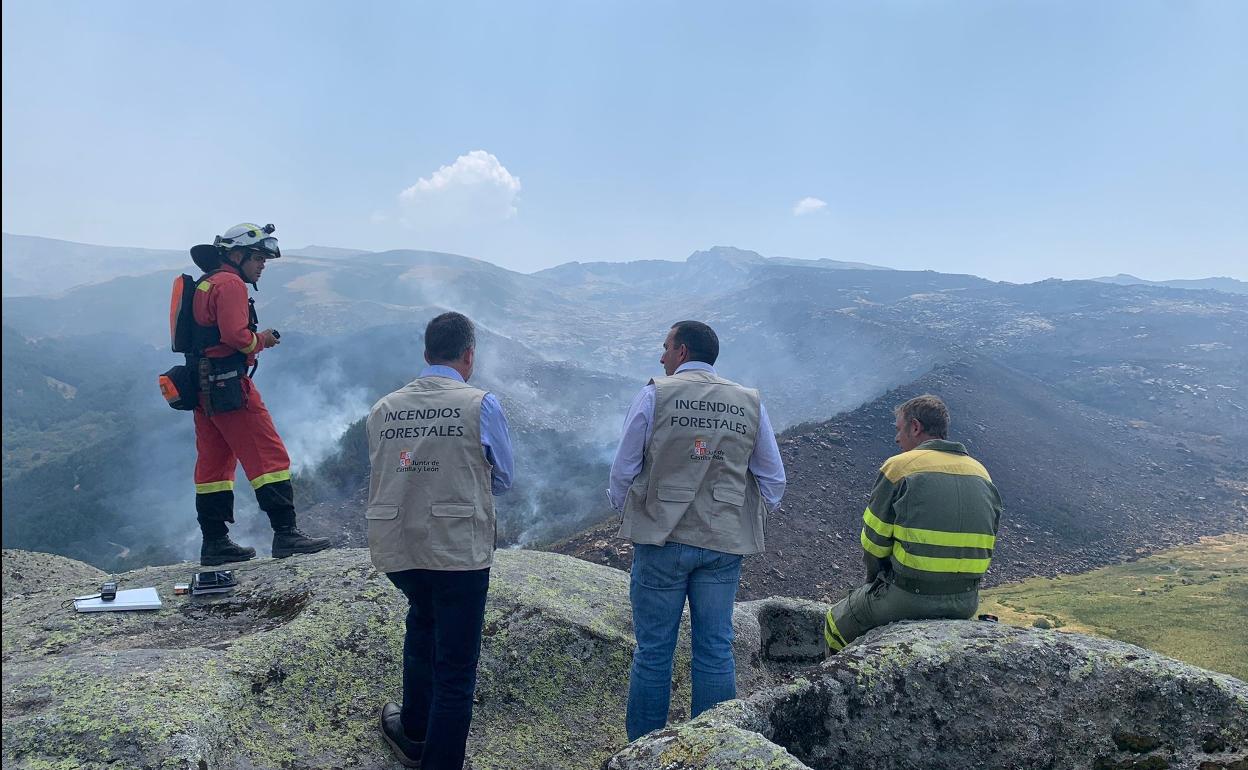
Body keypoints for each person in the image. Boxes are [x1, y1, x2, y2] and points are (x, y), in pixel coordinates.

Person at [609, 320, 786, 741]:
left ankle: (642, 754)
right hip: (724, 541)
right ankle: (713, 750)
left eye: (666, 347)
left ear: (683, 351)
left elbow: (624, 469)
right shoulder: (748, 402)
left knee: (653, 654)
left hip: (661, 538)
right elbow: (773, 480)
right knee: (715, 648)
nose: (662, 356)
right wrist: (740, 515)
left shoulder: (654, 394)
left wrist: (628, 511)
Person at [367, 311, 515, 770]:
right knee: (455, 667)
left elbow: (385, 468)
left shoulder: (384, 407)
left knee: (422, 621)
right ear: (468, 355)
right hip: (456, 546)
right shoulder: (481, 404)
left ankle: (413, 732)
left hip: (398, 544)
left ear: (426, 353)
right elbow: (504, 477)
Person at [190, 223, 331, 566]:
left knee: (215, 463)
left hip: (202, 385)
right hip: (229, 385)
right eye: (258, 257)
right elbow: (238, 336)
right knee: (269, 457)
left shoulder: (205, 283)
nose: (262, 265)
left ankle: (215, 542)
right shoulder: (231, 284)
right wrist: (262, 340)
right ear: (236, 255)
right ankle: (286, 534)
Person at [823, 394, 1003, 655]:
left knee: (834, 623)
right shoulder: (981, 472)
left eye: (899, 430)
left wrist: (874, 587)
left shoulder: (899, 467)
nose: (897, 439)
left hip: (907, 598)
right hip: (966, 602)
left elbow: (874, 545)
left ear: (915, 427)